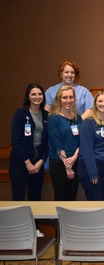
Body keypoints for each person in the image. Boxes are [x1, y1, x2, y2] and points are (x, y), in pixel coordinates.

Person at [10, 84, 49, 237]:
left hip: (37, 162)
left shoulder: (46, 115)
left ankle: (35, 229)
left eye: (40, 94)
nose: (37, 97)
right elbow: (16, 140)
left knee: (35, 197)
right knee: (19, 197)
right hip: (20, 163)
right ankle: (17, 230)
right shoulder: (20, 114)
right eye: (34, 94)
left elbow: (47, 142)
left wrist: (40, 162)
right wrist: (27, 162)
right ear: (28, 96)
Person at [47, 85, 83, 201]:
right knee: (61, 197)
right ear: (59, 99)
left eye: (71, 97)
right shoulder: (53, 118)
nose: (68, 101)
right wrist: (67, 165)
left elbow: (82, 141)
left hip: (75, 161)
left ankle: (69, 220)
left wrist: (74, 157)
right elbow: (56, 142)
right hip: (59, 163)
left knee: (72, 197)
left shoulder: (77, 118)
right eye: (65, 98)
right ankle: (59, 220)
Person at [78, 91, 104, 201]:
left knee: (102, 201)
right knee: (95, 201)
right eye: (100, 101)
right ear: (95, 104)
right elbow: (86, 150)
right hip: (91, 167)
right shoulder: (88, 123)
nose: (103, 104)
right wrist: (93, 173)